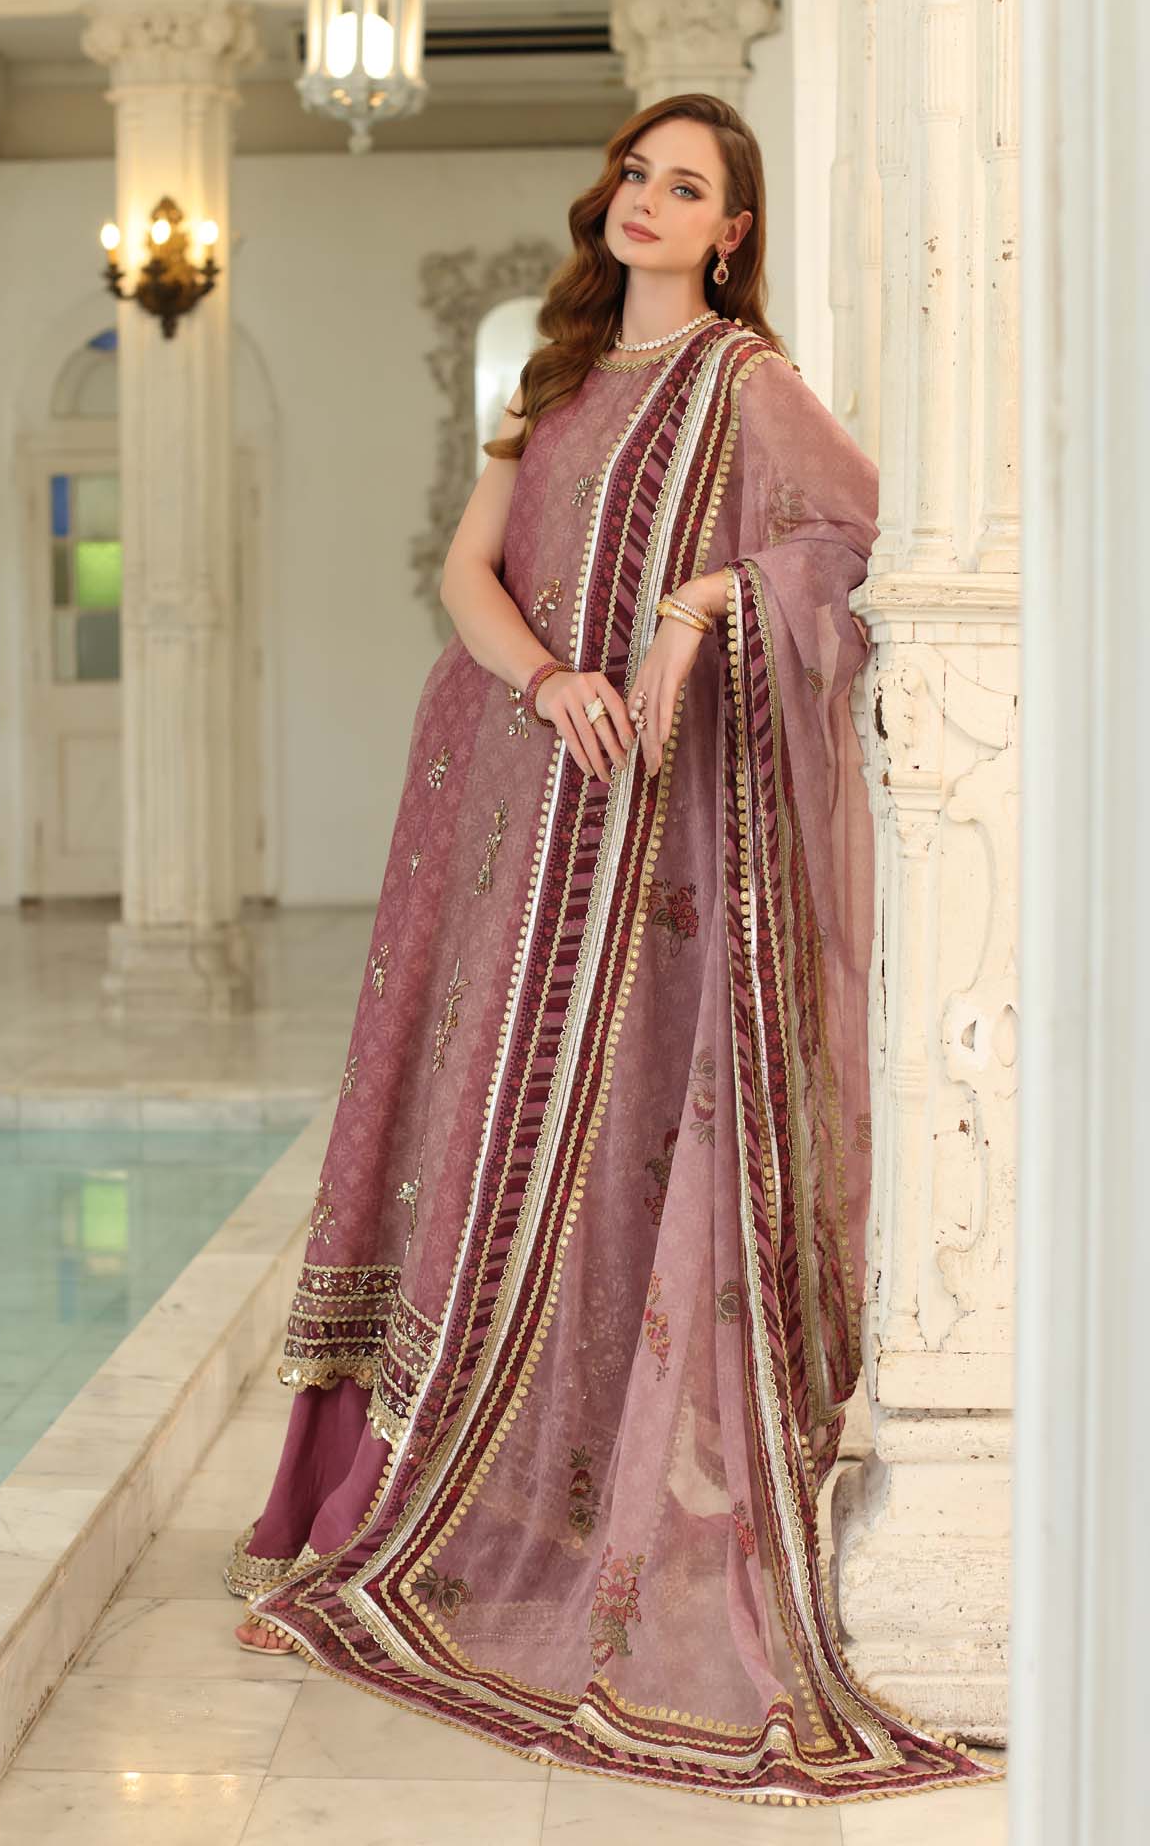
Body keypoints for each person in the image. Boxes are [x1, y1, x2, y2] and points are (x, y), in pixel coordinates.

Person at [223, 94, 1005, 1805]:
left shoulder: (747, 384)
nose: (644, 200)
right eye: (635, 174)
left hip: (654, 853)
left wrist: (700, 604)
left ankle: (579, 1508)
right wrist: (548, 678)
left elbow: (856, 542)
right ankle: (405, 1501)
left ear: (732, 228)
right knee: (462, 1136)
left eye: (684, 185)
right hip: (508, 800)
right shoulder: (560, 374)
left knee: (607, 1153)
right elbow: (466, 570)